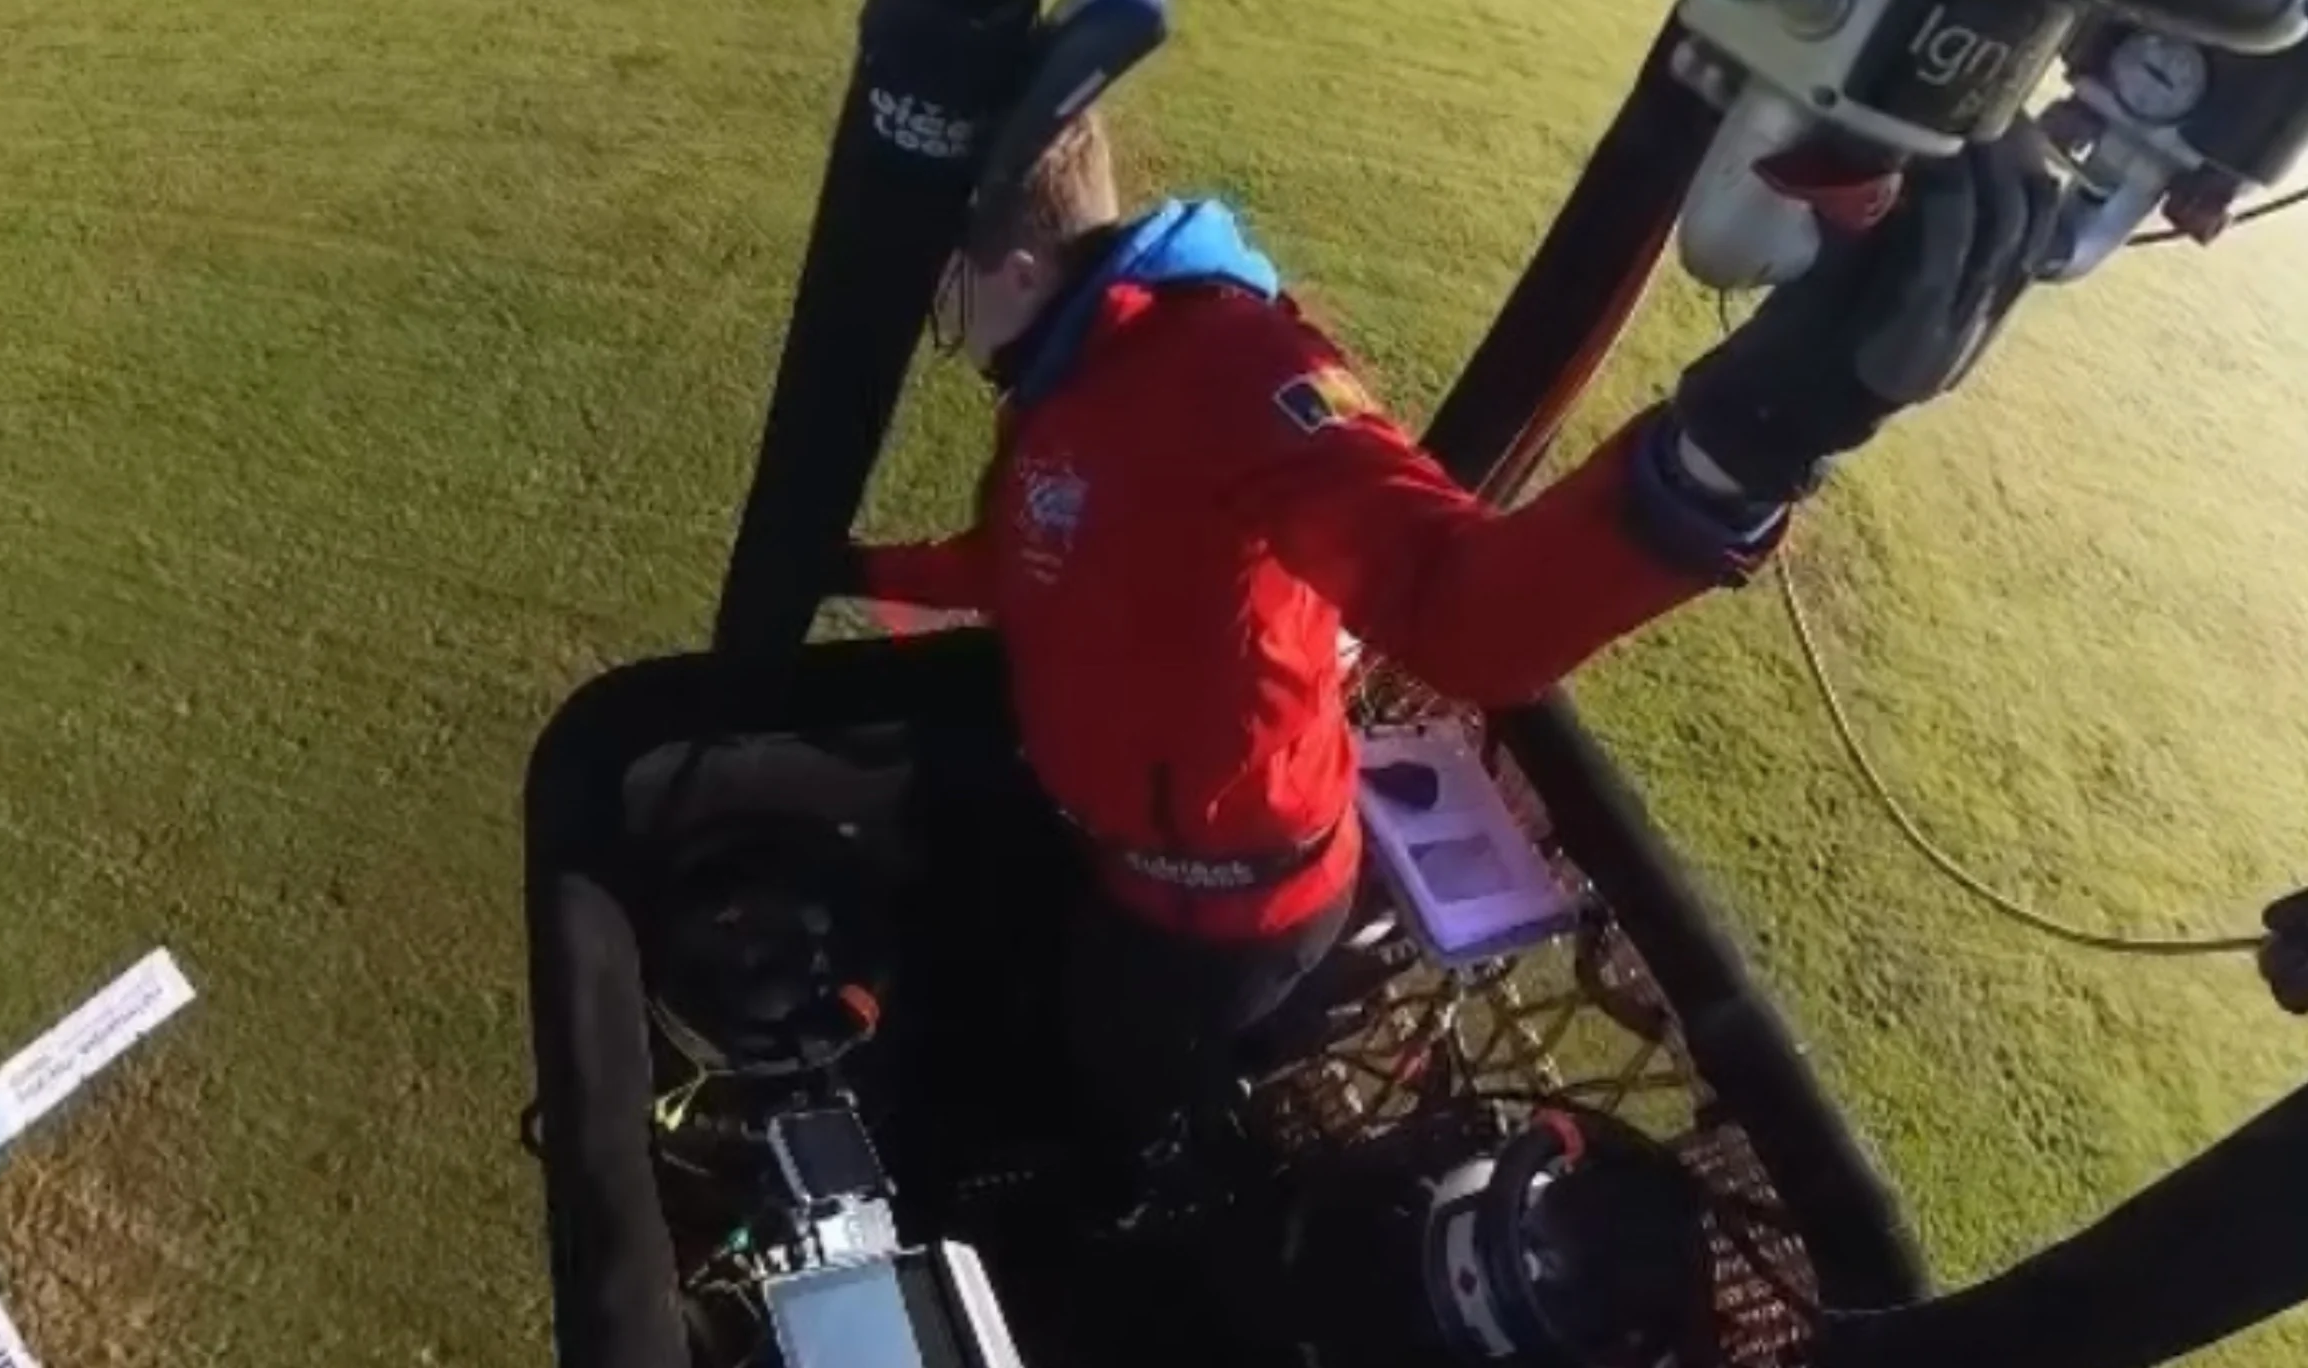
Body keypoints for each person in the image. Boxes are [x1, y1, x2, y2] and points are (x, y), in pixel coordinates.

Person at [831, 108, 2046, 1186]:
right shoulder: (1075, 383)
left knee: (1120, 1089)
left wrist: (1742, 446)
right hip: (1132, 877)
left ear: (1020, 261)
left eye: (952, 285)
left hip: (1220, 927)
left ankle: (1140, 1190)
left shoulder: (1235, 372)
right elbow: (1028, 556)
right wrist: (862, 573)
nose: (953, 321)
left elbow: (1468, 615)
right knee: (1065, 1015)